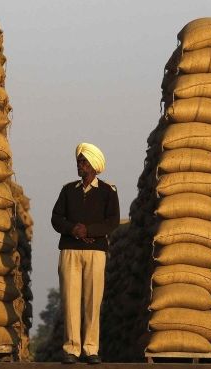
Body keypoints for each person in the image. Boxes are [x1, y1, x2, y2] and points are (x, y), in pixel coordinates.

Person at [51, 142, 120, 364]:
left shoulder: (108, 192)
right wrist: (74, 229)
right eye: (78, 162)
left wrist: (88, 230)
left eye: (83, 162)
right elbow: (56, 217)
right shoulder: (68, 190)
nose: (79, 166)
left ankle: (91, 349)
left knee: (93, 300)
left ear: (94, 166)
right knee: (70, 300)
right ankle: (71, 348)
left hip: (95, 252)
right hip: (70, 250)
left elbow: (112, 221)